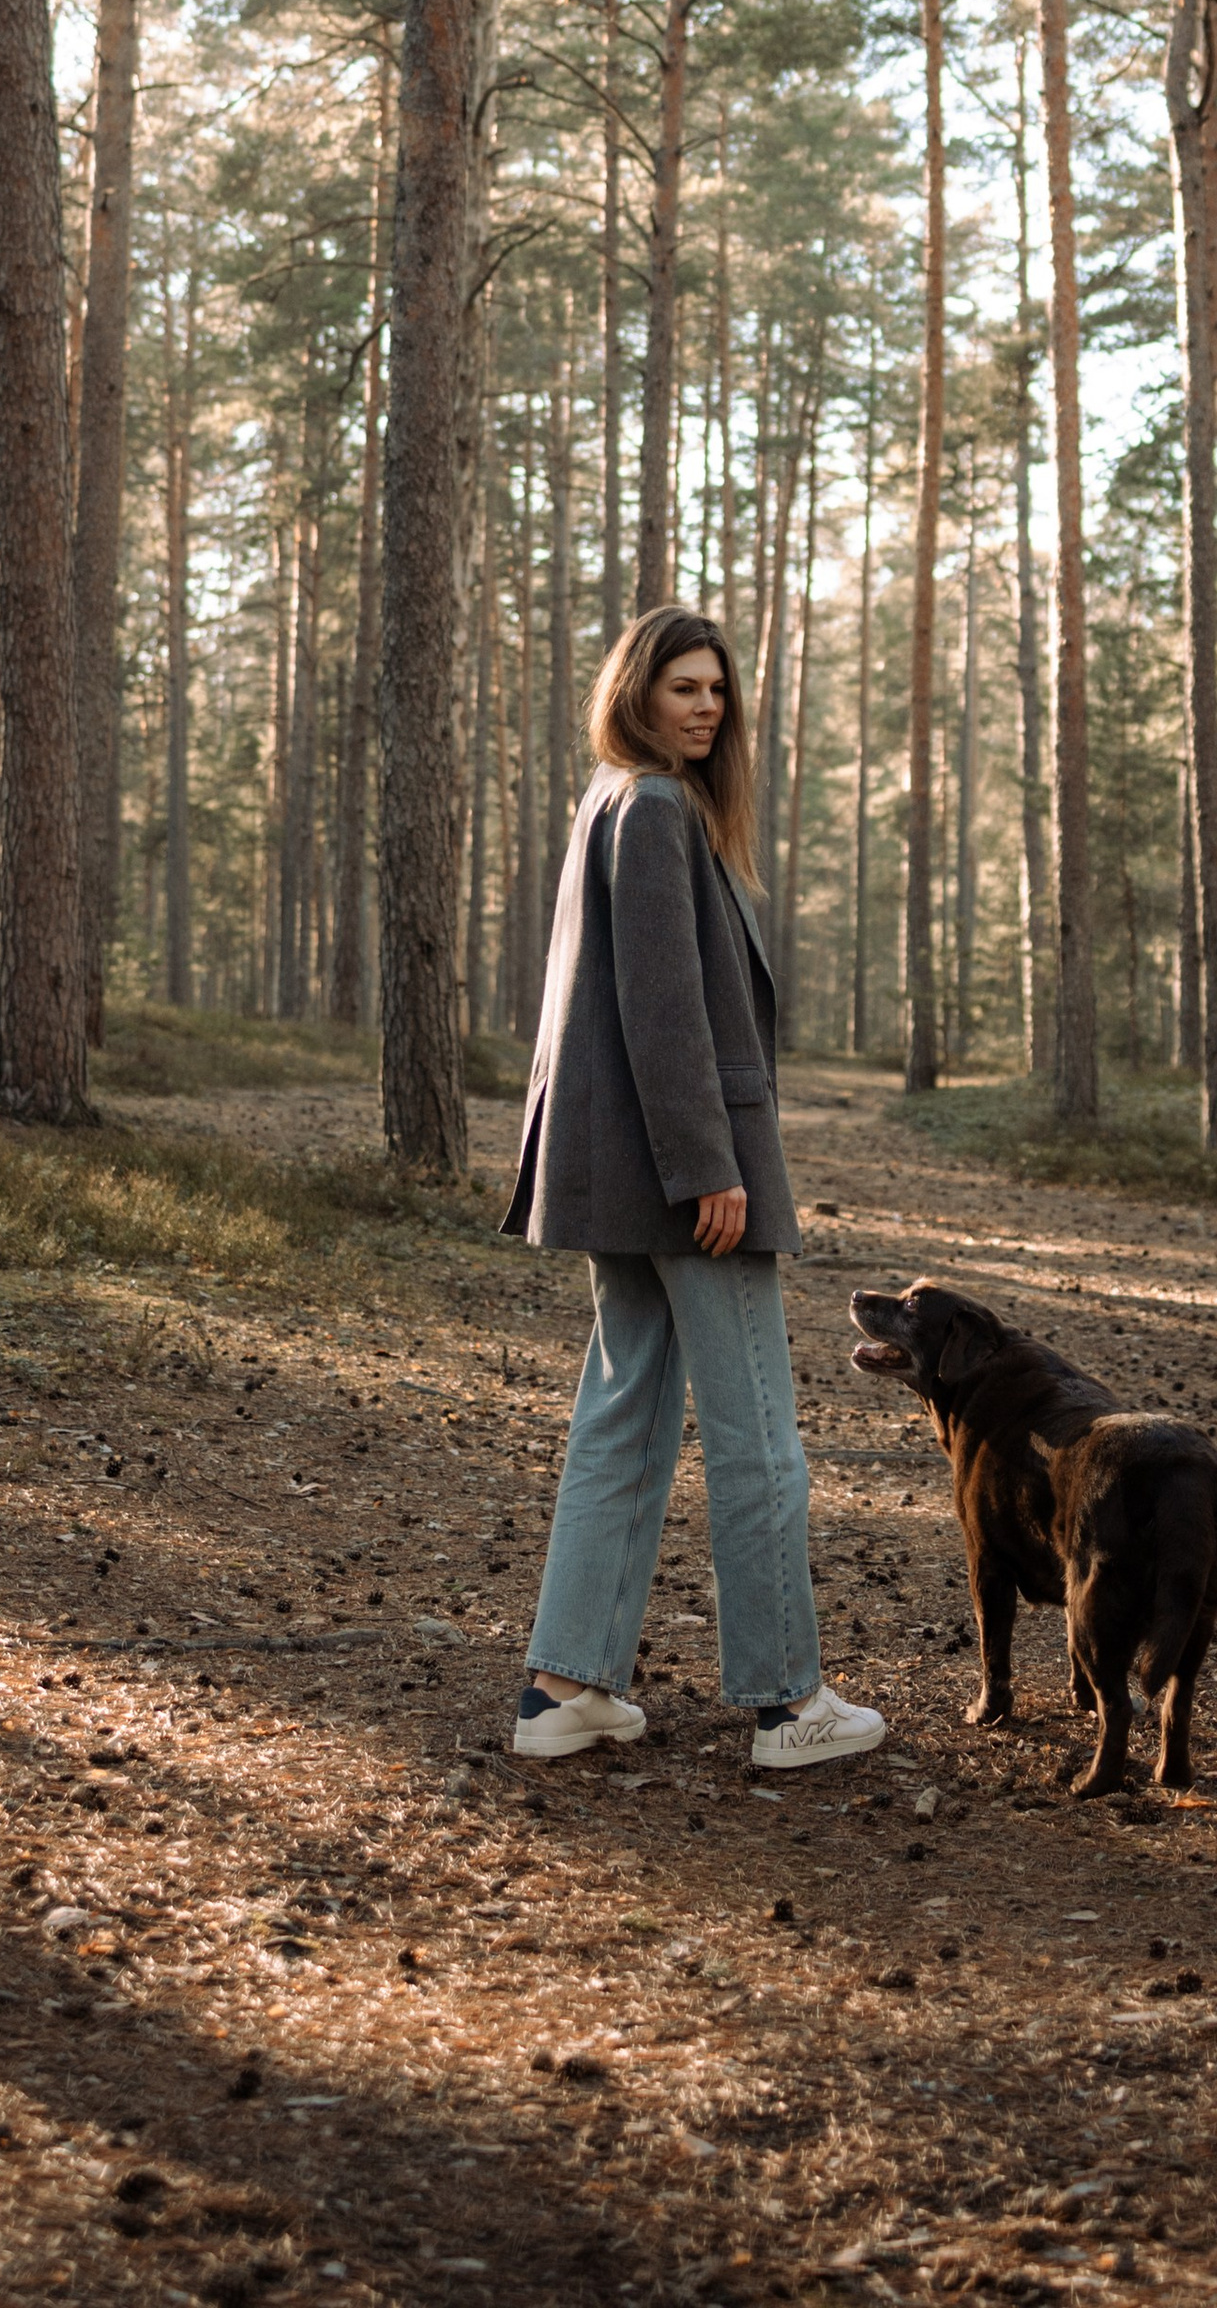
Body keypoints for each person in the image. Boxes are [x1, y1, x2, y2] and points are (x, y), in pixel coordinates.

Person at [501, 603, 885, 1773]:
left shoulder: (613, 799)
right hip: (684, 1175)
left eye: (718, 688)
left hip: (618, 1173)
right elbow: (661, 1005)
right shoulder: (656, 805)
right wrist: (708, 1164)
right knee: (758, 1435)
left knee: (619, 1422)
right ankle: (786, 1703)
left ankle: (564, 1689)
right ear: (638, 694)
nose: (708, 706)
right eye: (684, 687)